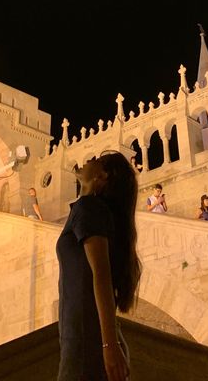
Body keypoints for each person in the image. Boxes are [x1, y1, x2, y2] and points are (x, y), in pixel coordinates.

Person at [56, 151, 141, 381]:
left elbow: (101, 276)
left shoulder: (89, 208)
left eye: (98, 161)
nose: (90, 159)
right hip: (87, 340)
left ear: (104, 176)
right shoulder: (89, 210)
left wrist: (109, 345)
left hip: (88, 343)